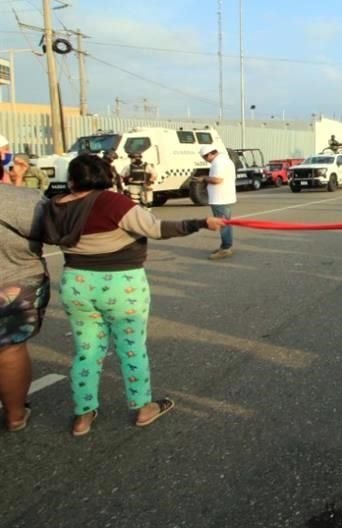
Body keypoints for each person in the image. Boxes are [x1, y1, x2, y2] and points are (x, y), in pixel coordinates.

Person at [40, 154, 223, 436]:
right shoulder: (113, 202)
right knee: (131, 348)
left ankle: (83, 416)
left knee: (87, 351)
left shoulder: (55, 205)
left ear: (72, 179)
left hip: (76, 283)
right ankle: (143, 408)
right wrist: (200, 222)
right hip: (120, 283)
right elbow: (156, 229)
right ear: (106, 174)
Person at [0, 184, 48, 431]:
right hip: (13, 282)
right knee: (9, 349)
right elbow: (55, 233)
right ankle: (15, 415)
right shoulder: (23, 199)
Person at [201, 145, 237, 260]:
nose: (206, 160)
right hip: (223, 197)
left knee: (223, 223)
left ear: (209, 154)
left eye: (205, 158)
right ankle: (225, 246)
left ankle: (226, 248)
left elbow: (217, 179)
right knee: (225, 222)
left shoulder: (218, 162)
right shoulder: (225, 160)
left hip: (220, 198)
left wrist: (204, 178)